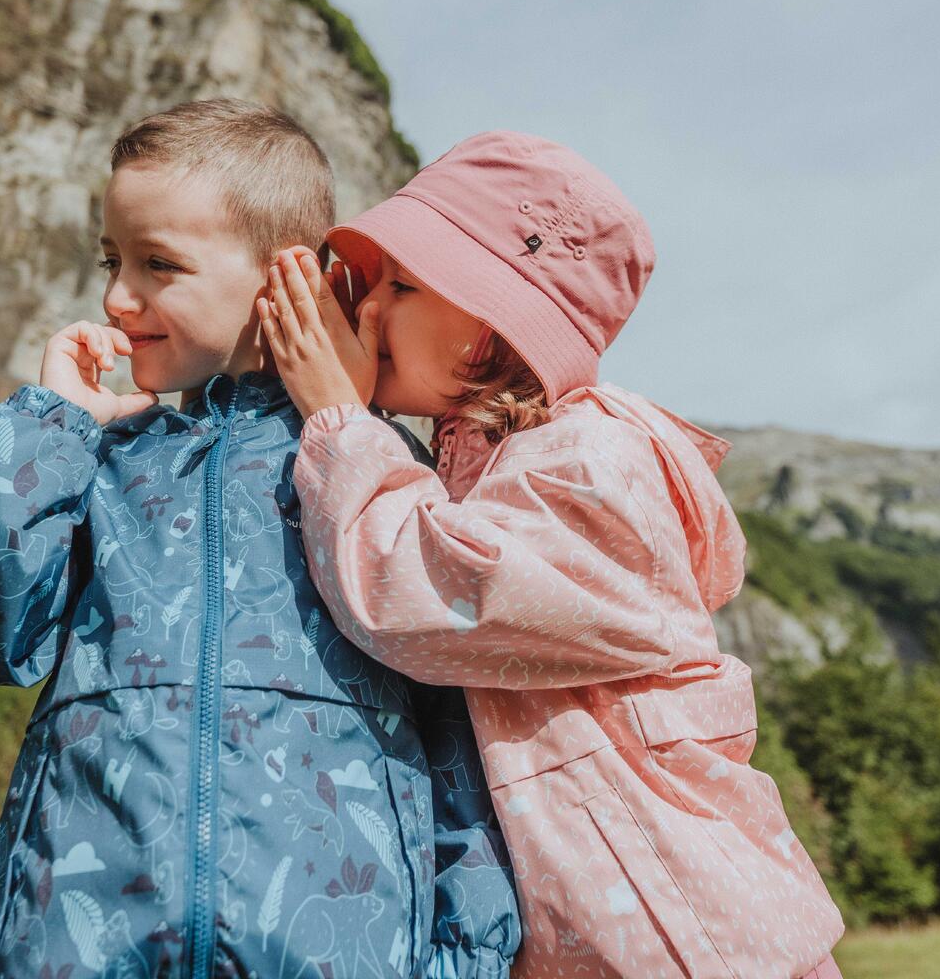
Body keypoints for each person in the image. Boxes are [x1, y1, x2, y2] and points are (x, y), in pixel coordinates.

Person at [0, 100, 521, 979]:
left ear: (284, 275)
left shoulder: (375, 473)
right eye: (112, 261)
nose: (116, 297)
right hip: (74, 950)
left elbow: (459, 728)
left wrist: (466, 959)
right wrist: (49, 425)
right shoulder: (95, 461)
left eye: (159, 264)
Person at [256, 130, 846, 979]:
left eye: (402, 285)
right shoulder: (487, 468)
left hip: (692, 944)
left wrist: (335, 418)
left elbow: (421, 595)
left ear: (497, 326)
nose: (368, 309)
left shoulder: (590, 464)